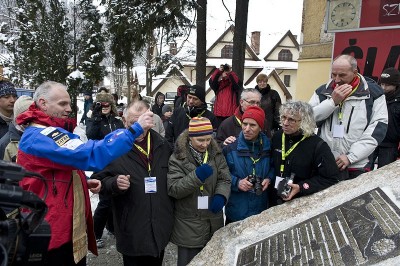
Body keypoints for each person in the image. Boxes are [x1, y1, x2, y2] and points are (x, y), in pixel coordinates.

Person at [16, 81, 154, 266]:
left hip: (61, 228)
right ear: (43, 103)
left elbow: (58, 169)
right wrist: (133, 130)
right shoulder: (39, 136)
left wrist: (81, 181)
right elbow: (89, 153)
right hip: (50, 234)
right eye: (62, 104)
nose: (69, 109)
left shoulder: (50, 131)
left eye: (69, 103)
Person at [91, 100, 174, 266]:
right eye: (132, 123)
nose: (139, 129)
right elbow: (97, 181)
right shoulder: (113, 147)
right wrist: (113, 183)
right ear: (124, 122)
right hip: (131, 230)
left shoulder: (164, 146)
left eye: (142, 122)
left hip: (159, 229)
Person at [309, 54, 388, 180]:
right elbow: (308, 121)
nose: (337, 79)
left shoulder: (374, 93)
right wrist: (332, 103)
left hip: (358, 164)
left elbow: (377, 130)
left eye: (342, 75)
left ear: (355, 72)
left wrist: (351, 157)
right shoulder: (322, 91)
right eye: (333, 74)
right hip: (326, 161)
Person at [167, 117, 231, 266]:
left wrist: (221, 195)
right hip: (188, 225)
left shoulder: (216, 154)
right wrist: (196, 177)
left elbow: (225, 178)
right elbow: (174, 189)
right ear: (190, 138)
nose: (205, 144)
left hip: (213, 221)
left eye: (209, 139)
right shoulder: (178, 158)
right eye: (200, 140)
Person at [271, 101, 339, 205]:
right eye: (283, 117)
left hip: (302, 202)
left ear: (304, 121)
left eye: (291, 120)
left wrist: (301, 187)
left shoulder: (318, 145)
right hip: (274, 199)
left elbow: (331, 178)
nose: (285, 123)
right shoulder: (277, 137)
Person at [222, 106, 274, 224]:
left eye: (252, 125)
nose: (247, 129)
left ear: (260, 127)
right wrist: (237, 182)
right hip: (237, 212)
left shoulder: (268, 147)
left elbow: (273, 167)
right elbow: (220, 174)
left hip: (261, 211)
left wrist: (269, 178)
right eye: (244, 124)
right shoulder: (230, 148)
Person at [85, 92, 124, 248]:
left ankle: (112, 227)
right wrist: (96, 117)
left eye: (107, 104)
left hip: (117, 163)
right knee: (105, 202)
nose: (105, 107)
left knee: (117, 199)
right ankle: (95, 234)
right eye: (101, 104)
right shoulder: (95, 121)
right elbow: (90, 136)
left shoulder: (117, 121)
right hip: (102, 166)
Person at [372, 67, 400, 168]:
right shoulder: (376, 96)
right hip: (372, 141)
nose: (383, 88)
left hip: (389, 146)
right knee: (363, 172)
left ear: (396, 85)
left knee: (383, 175)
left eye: (387, 85)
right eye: (382, 84)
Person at [0, 95, 33, 162]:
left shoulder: (42, 131)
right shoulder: (6, 143)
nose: (12, 100)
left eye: (15, 96)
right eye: (6, 97)